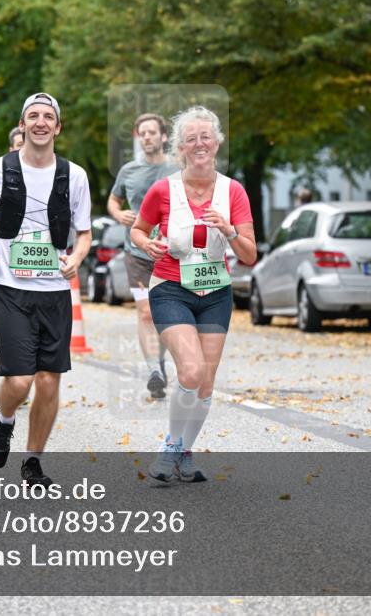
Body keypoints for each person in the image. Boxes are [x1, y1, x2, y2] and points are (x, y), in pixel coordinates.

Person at [0, 92, 92, 488]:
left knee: (49, 380)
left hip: (54, 288)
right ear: (22, 125)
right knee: (19, 379)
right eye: (32, 116)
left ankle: (34, 460)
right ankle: (4, 421)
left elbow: (85, 232)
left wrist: (78, 258)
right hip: (8, 284)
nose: (40, 122)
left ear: (57, 127)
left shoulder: (75, 175)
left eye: (48, 117)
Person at [130, 106, 257, 484]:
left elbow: (249, 254)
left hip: (216, 292)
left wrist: (231, 230)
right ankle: (170, 448)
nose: (199, 144)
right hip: (171, 288)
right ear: (180, 149)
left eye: (206, 137)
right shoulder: (163, 189)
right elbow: (139, 229)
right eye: (191, 139)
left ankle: (185, 451)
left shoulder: (233, 191)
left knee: (205, 382)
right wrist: (147, 245)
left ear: (217, 143)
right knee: (189, 369)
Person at [108, 113, 178, 399]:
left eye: (152, 132)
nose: (147, 137)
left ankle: (168, 360)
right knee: (146, 312)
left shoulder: (178, 168)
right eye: (143, 133)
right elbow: (114, 199)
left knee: (169, 315)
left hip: (172, 253)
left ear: (163, 137)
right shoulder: (128, 171)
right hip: (137, 253)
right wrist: (118, 212)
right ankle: (155, 371)